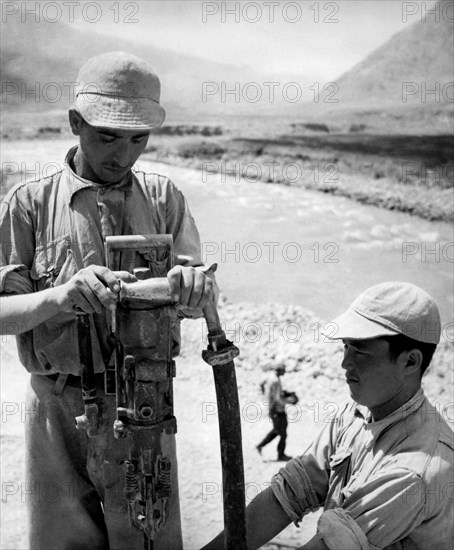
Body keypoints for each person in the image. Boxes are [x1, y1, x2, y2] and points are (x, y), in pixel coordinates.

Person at [0, 52, 217, 550]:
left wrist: (192, 288)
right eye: (108, 137)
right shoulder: (29, 203)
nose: (123, 154)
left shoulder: (164, 200)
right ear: (75, 122)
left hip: (145, 404)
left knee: (148, 540)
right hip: (56, 407)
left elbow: (199, 292)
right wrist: (59, 296)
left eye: (138, 138)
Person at [203, 282, 454, 550]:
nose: (345, 363)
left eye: (359, 350)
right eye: (345, 347)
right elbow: (285, 496)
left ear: (410, 362)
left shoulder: (415, 470)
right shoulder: (356, 414)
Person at [256, 363, 292, 461]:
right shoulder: (275, 380)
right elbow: (277, 398)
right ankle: (281, 454)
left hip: (273, 408)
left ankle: (260, 446)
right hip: (277, 410)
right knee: (282, 433)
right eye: (283, 370)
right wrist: (288, 401)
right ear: (279, 370)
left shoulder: (271, 377)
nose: (284, 372)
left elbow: (262, 384)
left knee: (277, 430)